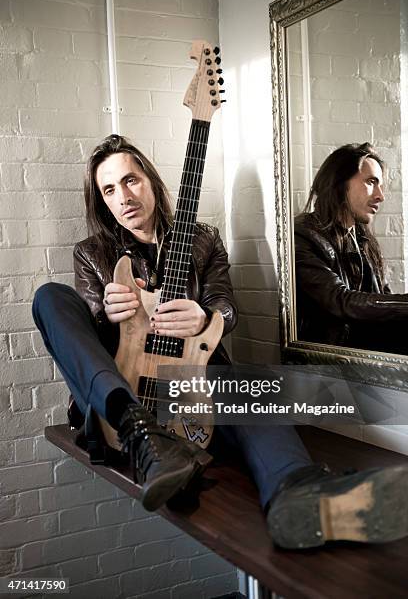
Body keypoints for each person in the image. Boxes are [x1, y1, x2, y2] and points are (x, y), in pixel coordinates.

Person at [33, 135, 408, 550]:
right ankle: (141, 433)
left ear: (151, 181)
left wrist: (206, 317)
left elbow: (226, 307)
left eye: (131, 180)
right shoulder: (92, 253)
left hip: (193, 381)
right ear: (102, 200)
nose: (123, 196)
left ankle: (297, 491)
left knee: (253, 389)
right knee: (49, 297)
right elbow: (89, 328)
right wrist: (106, 309)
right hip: (121, 400)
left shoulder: (203, 239)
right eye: (109, 189)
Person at [295, 142, 408, 353]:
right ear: (339, 183)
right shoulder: (303, 235)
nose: (380, 196)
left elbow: (381, 298)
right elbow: (340, 300)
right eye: (371, 182)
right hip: (330, 366)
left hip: (368, 353)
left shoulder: (361, 237)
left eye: (380, 185)